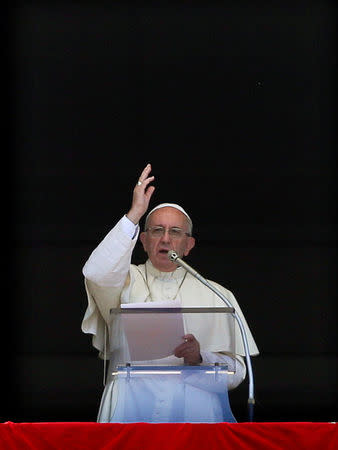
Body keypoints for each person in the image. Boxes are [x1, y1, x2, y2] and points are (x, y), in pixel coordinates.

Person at [81, 163, 259, 423]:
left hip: (195, 416)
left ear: (188, 245)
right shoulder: (123, 280)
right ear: (143, 240)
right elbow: (96, 272)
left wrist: (200, 358)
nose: (165, 239)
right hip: (130, 410)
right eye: (156, 230)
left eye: (175, 232)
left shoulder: (217, 294)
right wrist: (134, 214)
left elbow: (237, 374)